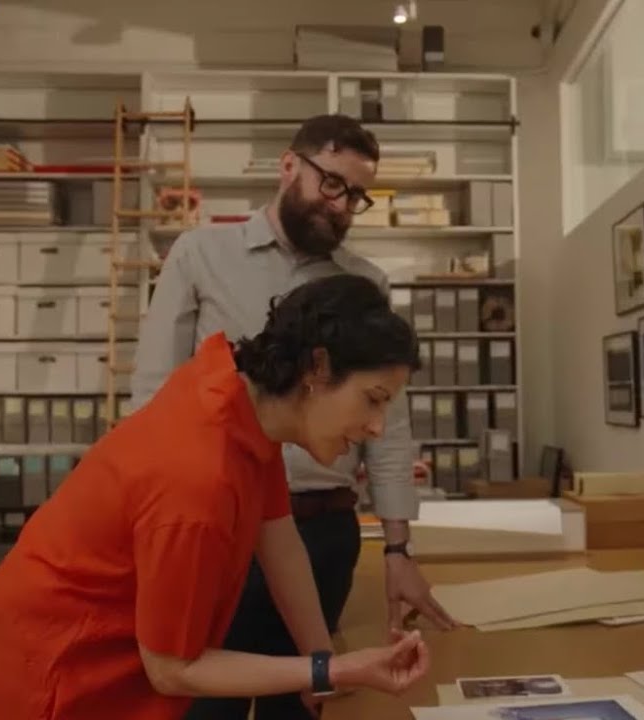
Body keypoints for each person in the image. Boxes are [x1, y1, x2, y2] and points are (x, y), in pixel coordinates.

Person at [0, 274, 432, 720]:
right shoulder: (199, 473)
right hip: (37, 691)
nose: (376, 428)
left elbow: (277, 538)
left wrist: (324, 662)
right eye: (373, 399)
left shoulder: (236, 399)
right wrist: (328, 674)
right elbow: (173, 669)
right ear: (317, 368)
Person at [129, 114, 459, 720]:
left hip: (318, 529)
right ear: (289, 166)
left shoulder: (365, 284)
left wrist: (397, 548)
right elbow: (153, 395)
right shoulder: (202, 253)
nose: (342, 208)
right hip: (216, 526)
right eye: (332, 185)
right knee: (205, 706)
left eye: (357, 197)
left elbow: (390, 428)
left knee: (306, 698)